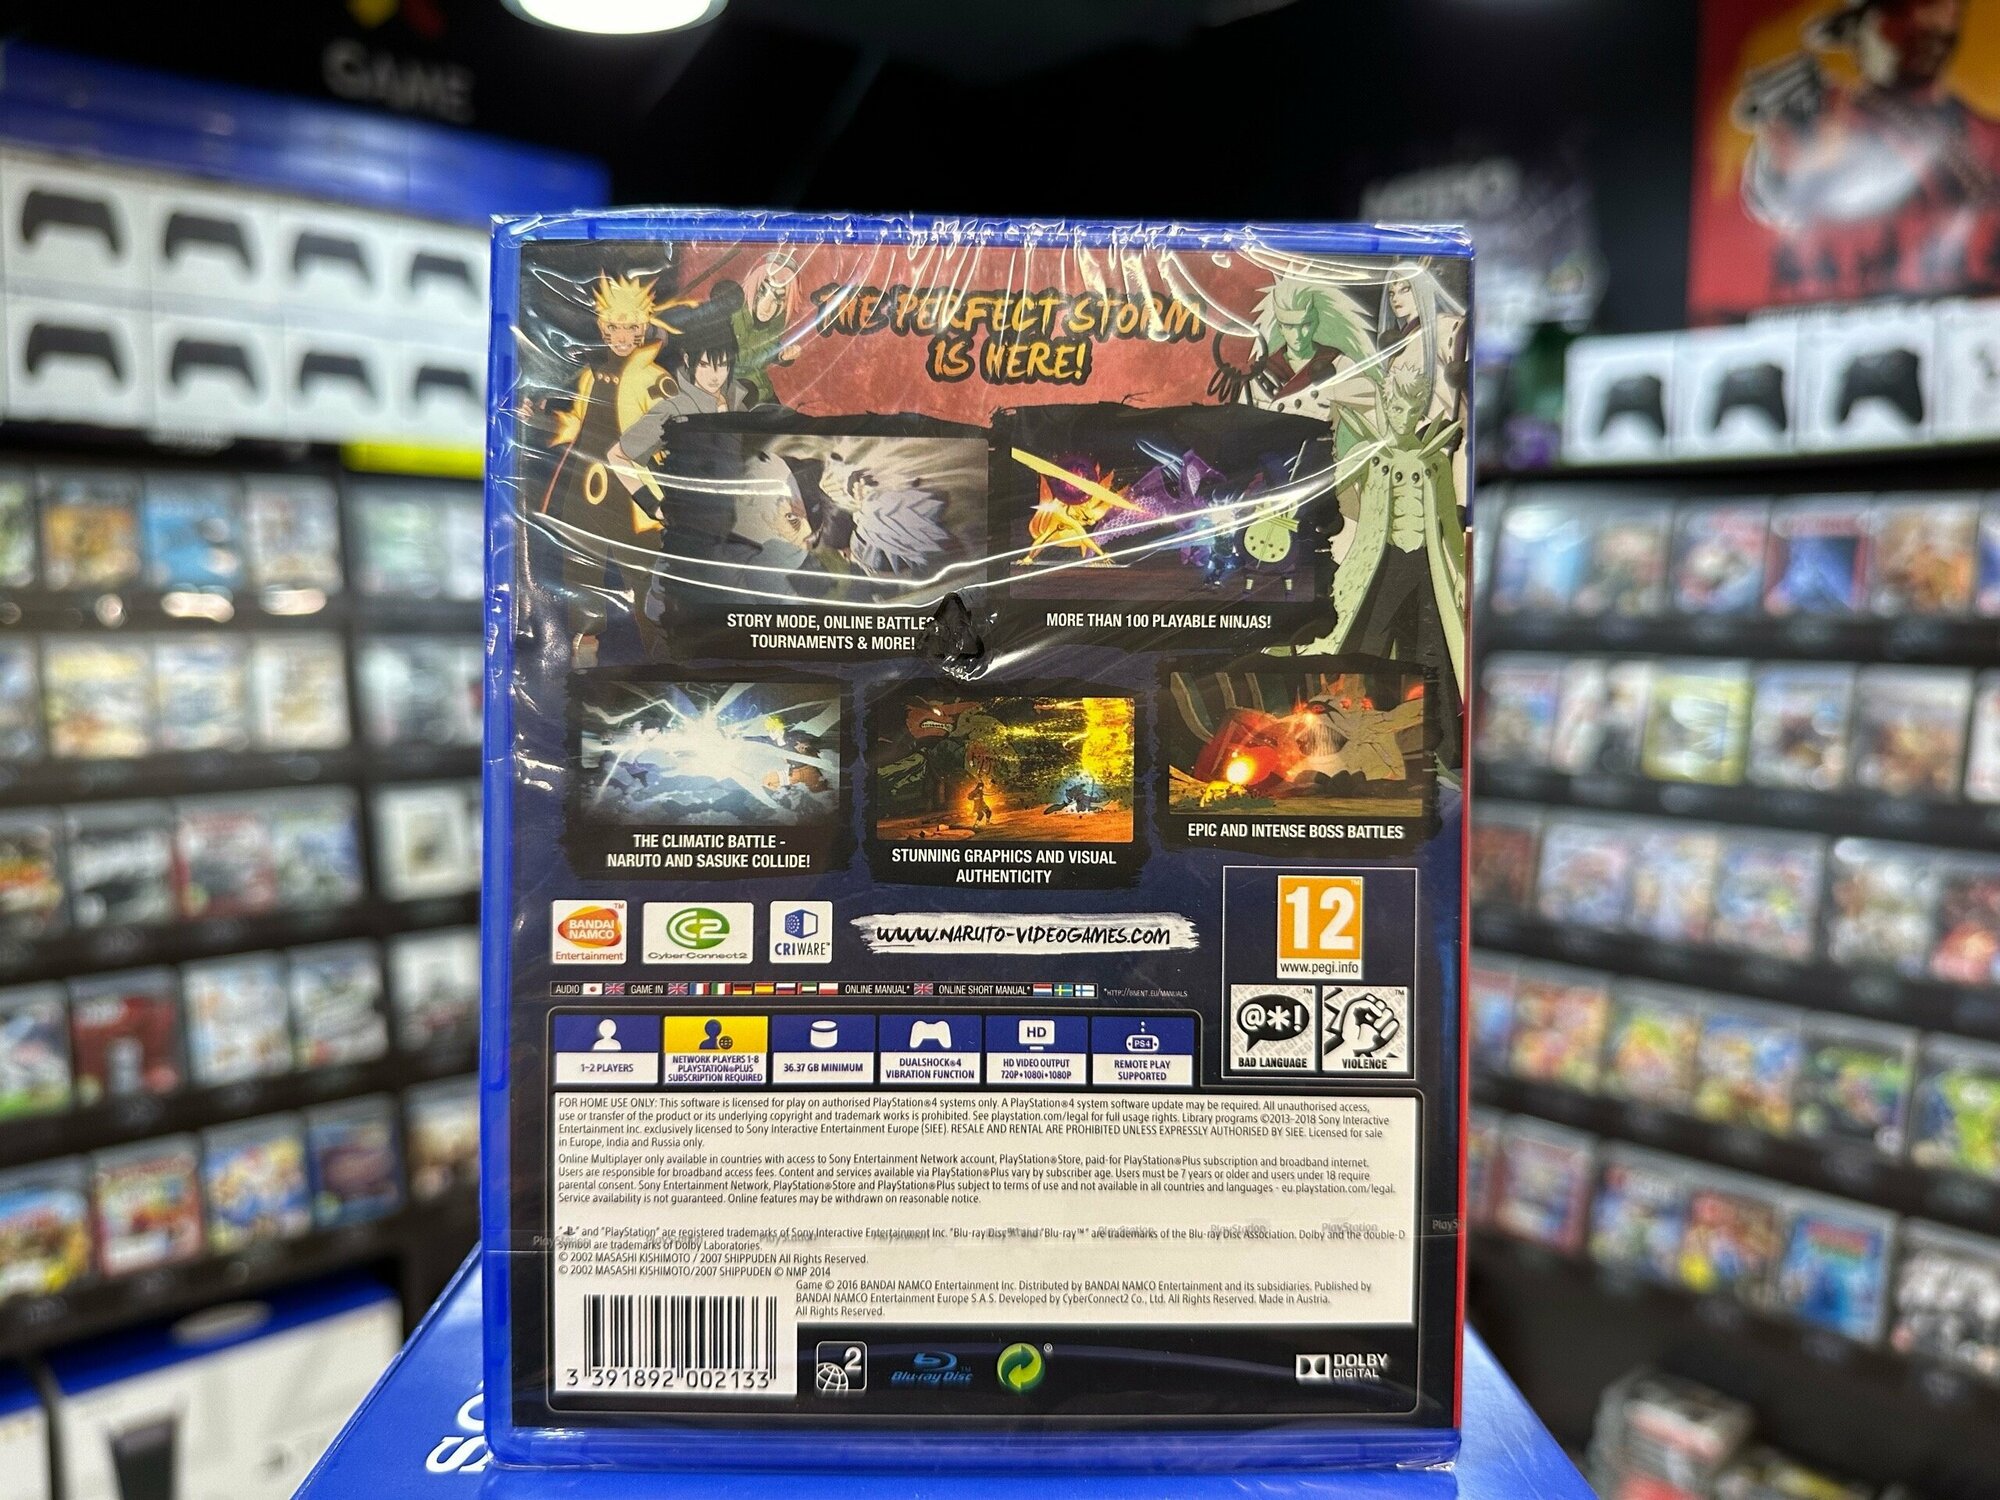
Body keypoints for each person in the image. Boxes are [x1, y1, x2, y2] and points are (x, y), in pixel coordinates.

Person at [1736, 0, 2000, 295]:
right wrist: (1794, 164)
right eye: (1897, 16)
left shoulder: (1988, 134)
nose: (1923, 28)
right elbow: (1776, 200)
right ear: (1857, 32)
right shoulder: (1831, 121)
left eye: (1938, 15)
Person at [532, 273, 673, 665]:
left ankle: (665, 663)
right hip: (585, 495)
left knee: (646, 584)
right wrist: (540, 419)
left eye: (631, 327)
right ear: (603, 328)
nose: (622, 336)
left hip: (634, 500)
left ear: (643, 328)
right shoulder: (591, 375)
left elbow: (672, 437)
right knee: (582, 575)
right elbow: (575, 425)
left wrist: (663, 494)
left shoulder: (654, 379)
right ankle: (585, 662)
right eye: (614, 326)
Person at [732, 252, 800, 405]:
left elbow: (765, 348)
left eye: (778, 299)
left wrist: (781, 355)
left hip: (762, 392)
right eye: (762, 292)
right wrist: (776, 355)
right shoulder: (735, 313)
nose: (767, 306)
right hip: (731, 391)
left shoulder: (777, 322)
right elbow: (740, 358)